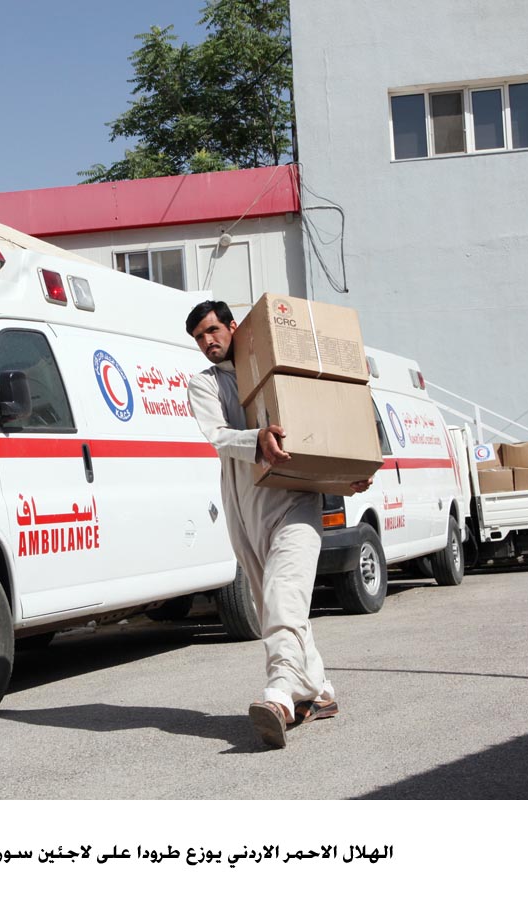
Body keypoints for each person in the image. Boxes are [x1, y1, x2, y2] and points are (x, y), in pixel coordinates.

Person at [185, 299, 371, 748]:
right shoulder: (204, 384)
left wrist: (349, 467)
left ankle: (281, 695)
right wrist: (258, 440)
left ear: (233, 326)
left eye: (213, 330)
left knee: (284, 592)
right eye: (198, 338)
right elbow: (219, 437)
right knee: (272, 602)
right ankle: (321, 691)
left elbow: (330, 417)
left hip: (298, 501)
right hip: (247, 506)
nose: (208, 342)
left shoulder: (284, 370)